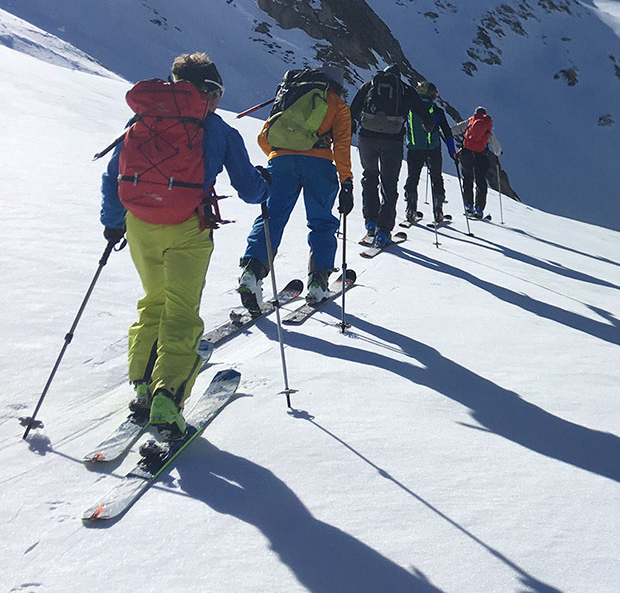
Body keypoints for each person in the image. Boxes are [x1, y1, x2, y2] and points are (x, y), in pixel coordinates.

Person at [100, 53, 268, 439]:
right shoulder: (220, 131)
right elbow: (248, 189)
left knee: (153, 300)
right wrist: (265, 185)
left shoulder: (142, 120)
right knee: (181, 311)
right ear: (211, 92)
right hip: (188, 227)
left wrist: (113, 224)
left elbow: (114, 176)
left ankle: (143, 387)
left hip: (140, 224)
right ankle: (167, 398)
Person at [237, 67, 354, 307]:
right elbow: (341, 146)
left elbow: (263, 137)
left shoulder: (290, 94)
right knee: (321, 222)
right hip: (319, 164)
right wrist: (347, 181)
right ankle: (317, 282)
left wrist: (279, 156)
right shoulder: (337, 105)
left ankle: (251, 271)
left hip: (281, 162)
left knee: (272, 218)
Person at [350, 64, 444, 246]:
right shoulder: (404, 89)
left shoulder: (369, 85)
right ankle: (383, 232)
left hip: (367, 139)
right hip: (392, 141)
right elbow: (424, 114)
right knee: (389, 183)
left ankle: (370, 222)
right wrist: (428, 127)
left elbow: (353, 111)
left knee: (369, 177)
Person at [402, 80, 458, 224]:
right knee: (436, 178)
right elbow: (447, 132)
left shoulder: (409, 108)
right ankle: (438, 212)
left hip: (414, 149)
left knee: (412, 177)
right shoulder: (437, 111)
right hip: (433, 149)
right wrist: (453, 152)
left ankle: (411, 210)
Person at [454, 105, 500, 219]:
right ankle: (479, 208)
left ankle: (468, 205)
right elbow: (497, 149)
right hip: (481, 156)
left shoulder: (470, 121)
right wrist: (497, 151)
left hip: (467, 154)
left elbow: (455, 130)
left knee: (468, 179)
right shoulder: (487, 126)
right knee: (481, 181)